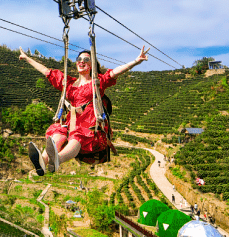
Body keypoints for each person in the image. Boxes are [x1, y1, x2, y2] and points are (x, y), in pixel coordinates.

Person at [19, 46, 149, 175]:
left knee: (77, 136)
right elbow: (47, 72)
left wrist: (136, 61)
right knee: (59, 132)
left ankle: (58, 159)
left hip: (90, 124)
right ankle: (43, 161)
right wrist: (27, 58)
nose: (81, 61)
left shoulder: (97, 82)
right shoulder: (69, 84)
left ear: (92, 64)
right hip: (73, 121)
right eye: (79, 58)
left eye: (86, 59)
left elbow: (115, 72)